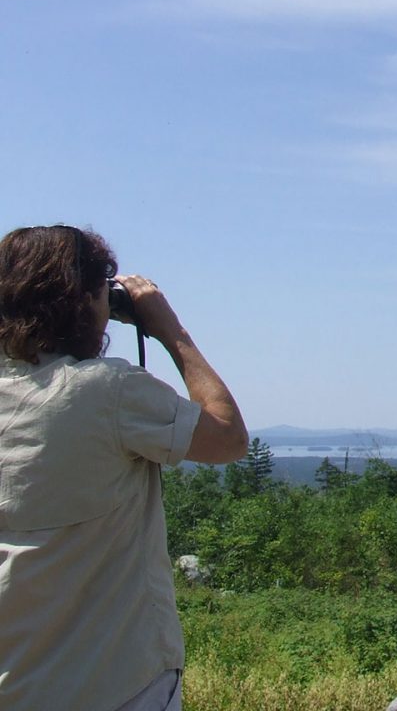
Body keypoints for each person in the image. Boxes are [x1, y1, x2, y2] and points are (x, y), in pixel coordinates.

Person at [0, 225, 248, 711]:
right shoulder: (105, 391)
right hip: (114, 680)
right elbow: (228, 437)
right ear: (83, 301)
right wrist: (169, 329)